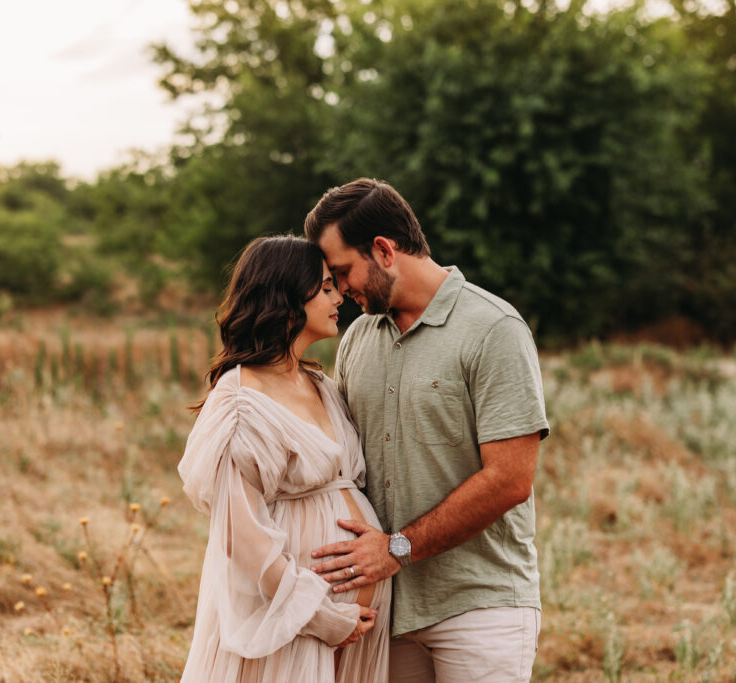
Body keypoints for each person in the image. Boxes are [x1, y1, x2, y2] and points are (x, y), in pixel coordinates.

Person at [304, 179, 550, 683]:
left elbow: (509, 479)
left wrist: (397, 548)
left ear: (384, 250)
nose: (340, 289)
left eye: (343, 271)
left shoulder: (494, 329)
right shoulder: (356, 340)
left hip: (479, 604)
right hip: (384, 611)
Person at [177, 235, 390, 683]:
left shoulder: (320, 384)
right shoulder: (238, 401)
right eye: (326, 287)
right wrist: (320, 616)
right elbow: (243, 537)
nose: (339, 298)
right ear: (289, 296)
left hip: (356, 626)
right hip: (291, 621)